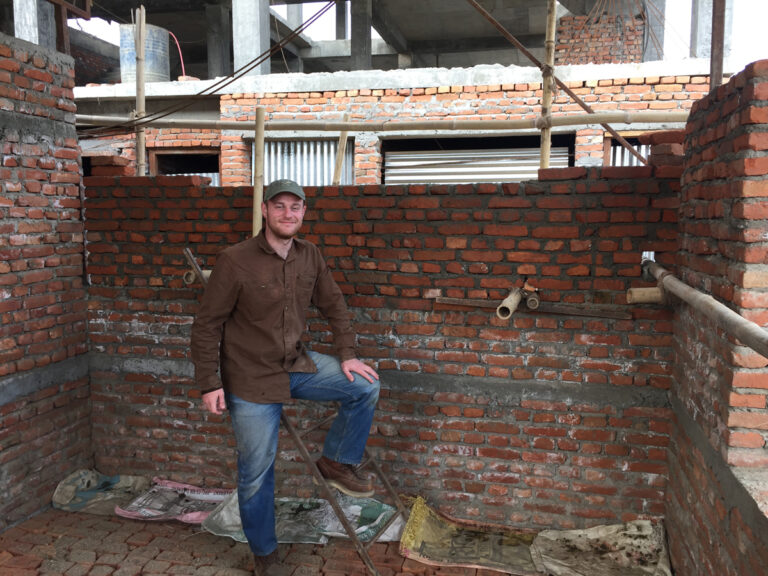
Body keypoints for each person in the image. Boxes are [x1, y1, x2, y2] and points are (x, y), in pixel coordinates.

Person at [190, 179, 380, 575]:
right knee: (256, 472)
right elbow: (207, 325)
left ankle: (336, 461)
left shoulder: (310, 255)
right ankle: (265, 555)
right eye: (279, 206)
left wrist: (348, 355)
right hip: (250, 378)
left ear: (304, 212)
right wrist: (210, 382)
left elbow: (334, 305)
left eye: (295, 206)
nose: (288, 213)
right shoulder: (234, 260)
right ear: (265, 210)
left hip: (296, 366)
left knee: (365, 385)